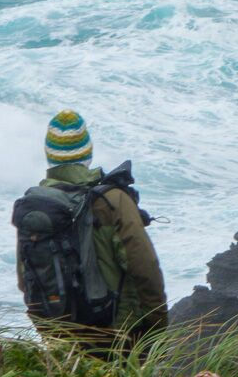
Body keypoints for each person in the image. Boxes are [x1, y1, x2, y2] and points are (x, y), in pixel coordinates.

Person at [16, 109, 168, 350]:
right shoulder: (114, 200)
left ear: (49, 156)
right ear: (87, 153)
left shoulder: (37, 208)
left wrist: (50, 330)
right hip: (117, 335)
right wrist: (156, 329)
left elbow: (26, 280)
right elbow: (145, 270)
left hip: (61, 336)